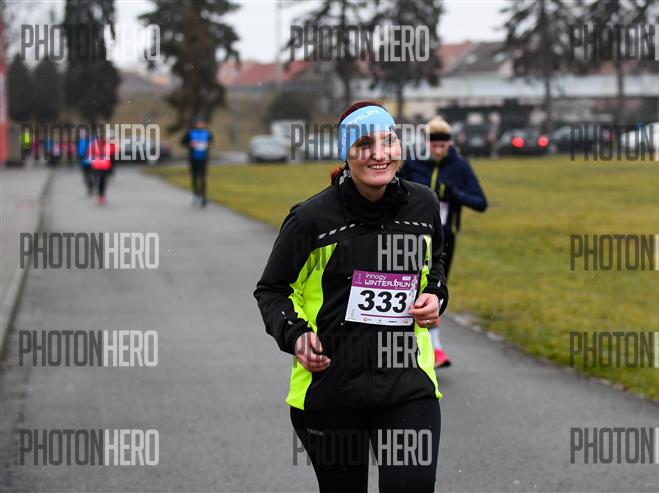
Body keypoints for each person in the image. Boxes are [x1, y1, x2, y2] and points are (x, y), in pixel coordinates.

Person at [254, 101, 448, 492]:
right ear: (346, 154)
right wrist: (296, 335)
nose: (380, 154)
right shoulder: (311, 220)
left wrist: (435, 295)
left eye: (388, 140)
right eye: (364, 145)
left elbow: (435, 265)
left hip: (407, 385)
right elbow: (272, 290)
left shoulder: (423, 204)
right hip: (331, 389)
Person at [399, 116, 487, 368]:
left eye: (443, 146)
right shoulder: (414, 163)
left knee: (433, 291)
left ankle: (434, 349)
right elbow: (394, 190)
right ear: (427, 143)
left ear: (449, 144)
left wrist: (455, 194)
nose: (438, 150)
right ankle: (409, 345)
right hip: (410, 236)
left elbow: (480, 203)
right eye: (434, 145)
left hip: (444, 240)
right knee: (408, 288)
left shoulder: (459, 166)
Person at [181, 116, 213, 207]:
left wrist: (209, 145)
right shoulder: (191, 133)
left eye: (202, 123)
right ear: (195, 124)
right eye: (198, 123)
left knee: (203, 178)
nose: (200, 124)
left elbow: (211, 143)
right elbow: (183, 142)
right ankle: (196, 194)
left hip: (203, 158)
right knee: (194, 177)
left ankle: (203, 197)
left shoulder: (207, 133)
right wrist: (190, 144)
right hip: (193, 158)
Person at [89, 135, 115, 206]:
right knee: (97, 180)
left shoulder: (108, 146)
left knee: (102, 181)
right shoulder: (95, 146)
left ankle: (101, 195)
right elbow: (90, 153)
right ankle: (99, 193)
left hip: (105, 166)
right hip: (96, 166)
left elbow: (112, 152)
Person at [77, 128, 94, 196]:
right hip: (83, 162)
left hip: (90, 162)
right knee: (86, 177)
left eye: (83, 133)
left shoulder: (89, 140)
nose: (82, 135)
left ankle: (92, 187)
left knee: (91, 175)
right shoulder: (79, 142)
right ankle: (90, 188)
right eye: (81, 134)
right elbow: (78, 152)